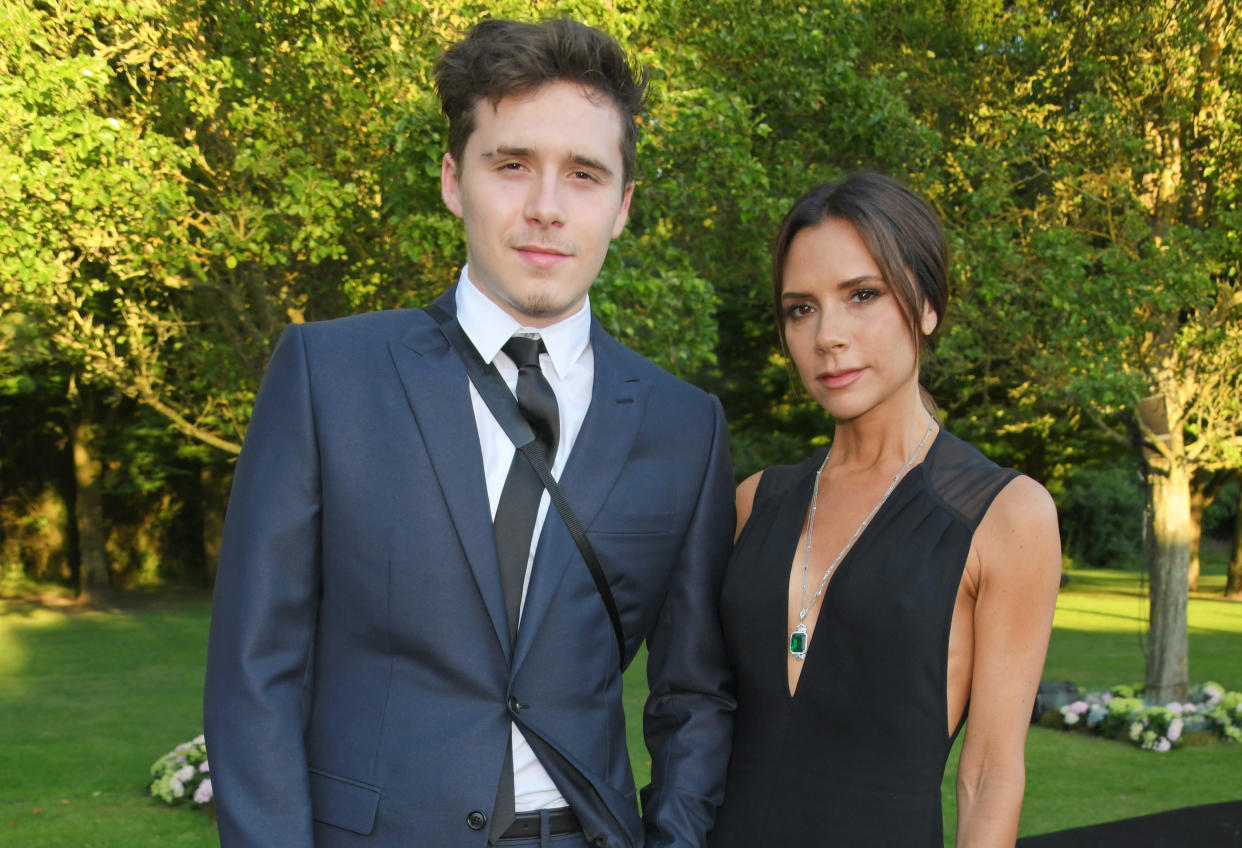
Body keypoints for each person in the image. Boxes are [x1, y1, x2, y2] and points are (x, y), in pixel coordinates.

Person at [203, 18, 736, 848]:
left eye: (585, 175)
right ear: (455, 179)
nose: (546, 208)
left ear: (624, 206)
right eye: (512, 164)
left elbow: (693, 695)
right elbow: (254, 672)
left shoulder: (684, 425)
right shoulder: (327, 375)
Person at [706, 173, 1061, 847]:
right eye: (800, 309)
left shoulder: (1005, 516)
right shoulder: (755, 502)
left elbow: (990, 774)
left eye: (861, 295)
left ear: (926, 305)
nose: (827, 336)